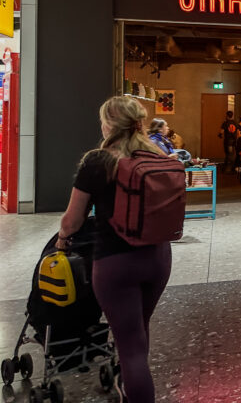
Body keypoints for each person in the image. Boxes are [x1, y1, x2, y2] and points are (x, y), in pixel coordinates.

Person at [56, 96, 172, 403]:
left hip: (116, 261)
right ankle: (127, 385)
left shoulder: (99, 160)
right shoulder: (159, 155)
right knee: (139, 332)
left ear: (109, 124)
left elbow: (71, 220)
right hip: (159, 258)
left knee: (129, 347)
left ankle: (133, 389)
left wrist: (61, 240)